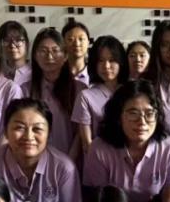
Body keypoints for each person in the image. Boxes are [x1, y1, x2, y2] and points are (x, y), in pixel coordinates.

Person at [20, 27, 79, 155]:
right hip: (35, 158)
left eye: (55, 50)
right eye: (43, 51)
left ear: (65, 56)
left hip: (71, 158)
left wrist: (69, 160)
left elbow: (80, 132)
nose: (49, 56)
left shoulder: (79, 89)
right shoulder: (25, 90)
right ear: (35, 56)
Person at [73, 35, 127, 154]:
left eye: (112, 60)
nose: (106, 66)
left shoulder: (131, 92)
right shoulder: (85, 96)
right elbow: (87, 144)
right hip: (99, 159)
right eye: (100, 61)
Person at [0, 20, 31, 86]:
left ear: (27, 44)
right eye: (7, 40)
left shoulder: (36, 72)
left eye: (18, 40)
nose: (12, 45)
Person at [62, 20, 91, 86]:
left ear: (88, 43)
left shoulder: (95, 74)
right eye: (71, 39)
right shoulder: (56, 73)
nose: (77, 44)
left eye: (81, 39)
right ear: (63, 43)